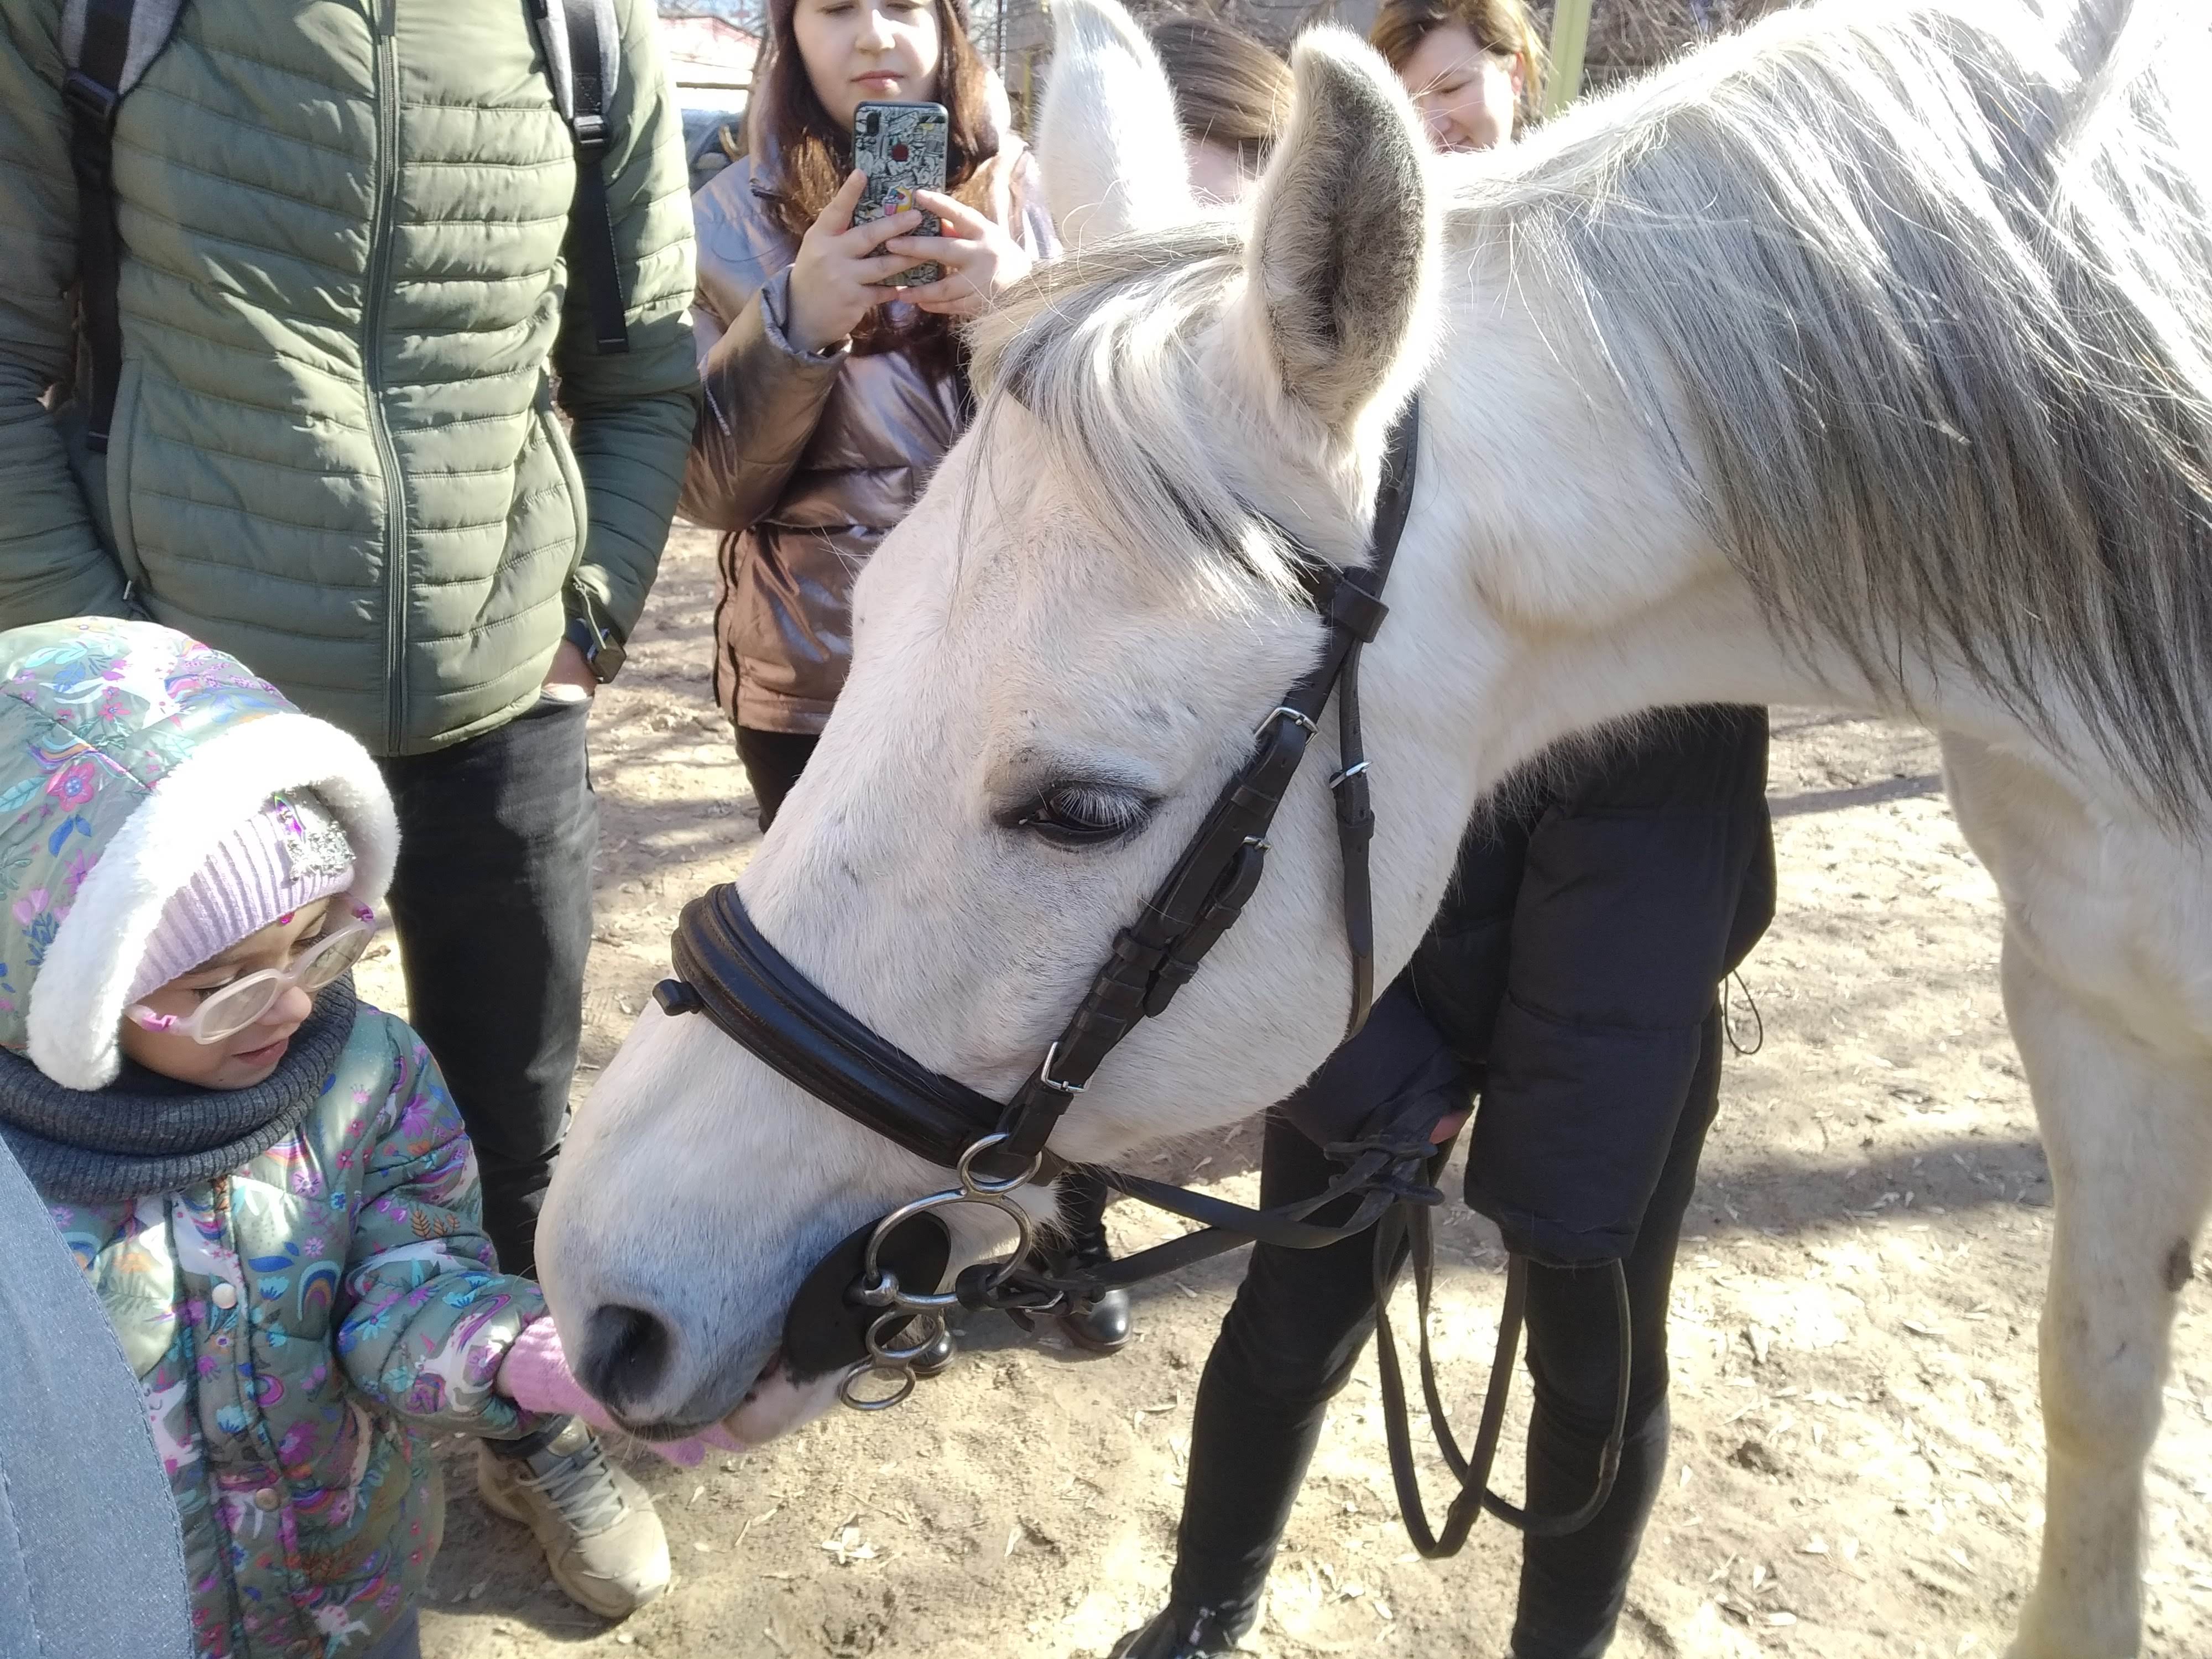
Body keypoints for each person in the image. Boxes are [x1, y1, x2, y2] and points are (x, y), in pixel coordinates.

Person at [1110, 10, 1779, 1655]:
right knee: (1296, 1308)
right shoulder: (1307, 388)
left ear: (1522, 82)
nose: (1441, 129)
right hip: (1375, 939)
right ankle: (1203, 1615)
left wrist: (1552, 1142)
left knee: (1597, 1348)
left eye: (1459, 87)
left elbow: (1672, 797)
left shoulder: (1667, 346)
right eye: (1406, 106)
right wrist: (1380, 1063)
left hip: (1622, 963)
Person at [0, 0, 700, 1314]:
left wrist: (588, 614)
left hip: (506, 711)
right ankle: (214, 1494)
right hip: (191, 739)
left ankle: (522, 1423)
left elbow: (644, 370)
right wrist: (123, 687)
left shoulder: (584, 26)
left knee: (513, 1140)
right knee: (183, 1192)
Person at [0, 619, 734, 1651]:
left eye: (318, 943)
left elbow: (402, 1282)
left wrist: (513, 1352)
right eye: (222, 989)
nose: (292, 1009)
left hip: (341, 1585)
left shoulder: (367, 1076)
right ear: (58, 987)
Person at [679, 0, 1057, 832]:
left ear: (949, 26)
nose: (876, 34)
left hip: (1023, 668)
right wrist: (794, 325)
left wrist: (1027, 306)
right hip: (816, 681)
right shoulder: (717, 225)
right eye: (837, 8)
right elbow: (709, 493)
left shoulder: (1042, 192)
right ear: (789, 34)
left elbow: (1124, 439)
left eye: (903, 5)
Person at [0, 1134, 192, 1659]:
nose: (276, 1042)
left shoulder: (375, 1066)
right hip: (147, 1612)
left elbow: (404, 1246)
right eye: (209, 1038)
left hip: (350, 1585)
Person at [1371, 0, 1542, 152]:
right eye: (1406, 104)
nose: (1429, 130)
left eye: (1451, 89)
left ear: (1515, 75)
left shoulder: (1567, 183)